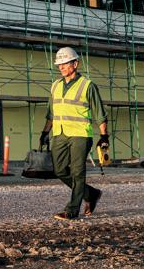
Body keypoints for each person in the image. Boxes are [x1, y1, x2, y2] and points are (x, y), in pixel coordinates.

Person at [40, 47, 109, 220]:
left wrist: (104, 137)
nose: (61, 67)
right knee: (60, 170)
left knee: (78, 172)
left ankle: (71, 210)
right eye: (59, 64)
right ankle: (91, 194)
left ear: (75, 63)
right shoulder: (55, 85)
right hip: (59, 134)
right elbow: (51, 113)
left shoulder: (88, 85)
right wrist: (45, 132)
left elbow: (99, 113)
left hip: (80, 135)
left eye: (65, 63)